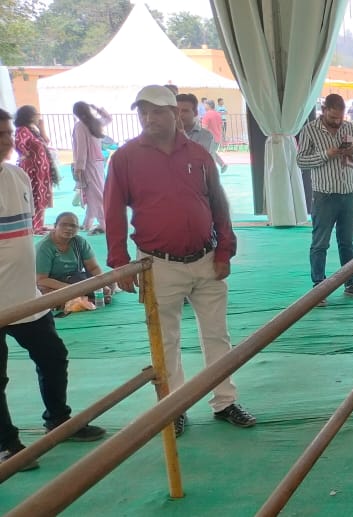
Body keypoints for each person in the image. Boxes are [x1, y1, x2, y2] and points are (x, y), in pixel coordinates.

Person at [105, 85, 256, 437]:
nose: (148, 118)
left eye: (157, 111)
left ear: (175, 114)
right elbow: (112, 211)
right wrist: (119, 262)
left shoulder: (199, 155)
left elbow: (218, 204)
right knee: (165, 339)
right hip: (157, 263)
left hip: (206, 258)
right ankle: (174, 407)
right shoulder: (125, 158)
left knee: (217, 334)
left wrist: (225, 249)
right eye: (143, 111)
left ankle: (225, 401)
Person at [0, 108, 107, 472]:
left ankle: (59, 421)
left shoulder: (16, 175)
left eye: (7, 133)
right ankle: (7, 444)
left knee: (53, 357)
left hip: (25, 298)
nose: (6, 141)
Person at [296, 94, 353, 306]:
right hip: (325, 195)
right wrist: (326, 154)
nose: (337, 121)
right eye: (333, 117)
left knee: (347, 242)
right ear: (324, 110)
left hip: (350, 193)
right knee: (320, 242)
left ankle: (350, 283)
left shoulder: (350, 128)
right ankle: (318, 287)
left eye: (340, 117)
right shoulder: (310, 130)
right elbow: (301, 161)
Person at [35, 212, 112, 303]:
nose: (69, 228)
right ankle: (85, 299)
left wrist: (101, 283)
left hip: (76, 279)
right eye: (64, 225)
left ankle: (84, 298)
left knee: (109, 283)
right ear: (55, 226)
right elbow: (41, 279)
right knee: (47, 294)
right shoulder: (44, 247)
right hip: (53, 283)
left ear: (77, 229)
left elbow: (93, 268)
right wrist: (71, 289)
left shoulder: (80, 242)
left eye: (73, 226)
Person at [13, 106, 57, 234]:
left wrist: (42, 126)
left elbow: (46, 141)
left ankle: (39, 225)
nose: (39, 116)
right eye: (36, 114)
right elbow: (18, 144)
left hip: (41, 169)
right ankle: (34, 226)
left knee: (41, 196)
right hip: (32, 169)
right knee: (34, 196)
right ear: (29, 116)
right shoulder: (22, 129)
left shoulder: (33, 129)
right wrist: (27, 155)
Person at [72, 101, 111, 235]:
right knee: (93, 193)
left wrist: (79, 167)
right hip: (98, 162)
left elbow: (81, 149)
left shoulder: (80, 126)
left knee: (96, 194)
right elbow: (108, 118)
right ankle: (87, 223)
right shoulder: (94, 123)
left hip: (88, 164)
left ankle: (104, 224)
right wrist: (99, 109)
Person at [200, 99, 228, 173]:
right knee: (212, 153)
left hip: (209, 139)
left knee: (209, 154)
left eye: (205, 104)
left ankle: (212, 171)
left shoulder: (207, 115)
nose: (204, 106)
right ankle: (222, 165)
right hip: (217, 138)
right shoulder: (218, 114)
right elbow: (221, 127)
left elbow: (204, 128)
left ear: (208, 105)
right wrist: (222, 139)